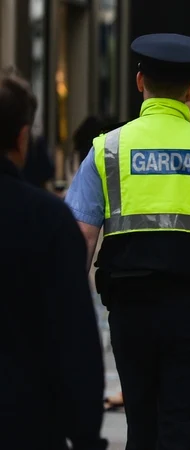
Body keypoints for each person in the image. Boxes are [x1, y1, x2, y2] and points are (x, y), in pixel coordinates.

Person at [64, 33, 190, 448]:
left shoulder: (108, 149)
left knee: (141, 420)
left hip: (130, 310)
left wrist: (68, 315)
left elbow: (81, 238)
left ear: (140, 82)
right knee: (186, 426)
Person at [0, 68, 107, 449]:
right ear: (23, 136)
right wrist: (85, 434)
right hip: (24, 422)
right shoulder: (46, 219)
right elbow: (73, 339)